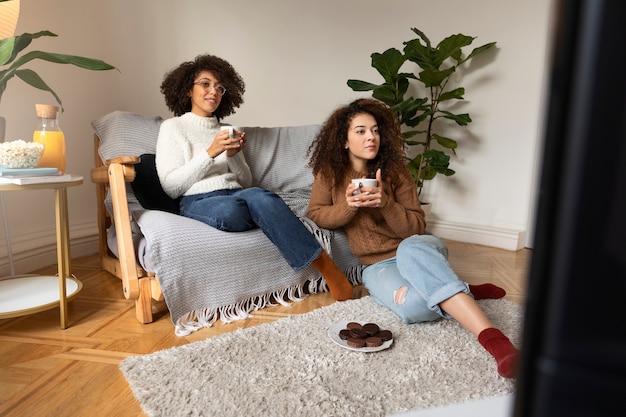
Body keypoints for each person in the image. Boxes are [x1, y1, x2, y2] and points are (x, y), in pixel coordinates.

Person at [306, 98, 518, 378]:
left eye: (375, 130)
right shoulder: (329, 175)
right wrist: (349, 206)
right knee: (417, 308)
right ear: (344, 140)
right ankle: (459, 288)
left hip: (417, 247)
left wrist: (385, 203)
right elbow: (316, 215)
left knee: (410, 250)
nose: (371, 136)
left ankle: (497, 343)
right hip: (377, 266)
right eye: (360, 131)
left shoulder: (396, 172)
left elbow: (416, 227)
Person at [155, 54, 353, 301]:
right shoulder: (173, 128)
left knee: (260, 196)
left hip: (239, 195)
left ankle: (328, 269)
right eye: (205, 84)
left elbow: (246, 183)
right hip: (199, 201)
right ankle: (274, 220)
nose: (213, 91)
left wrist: (234, 155)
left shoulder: (226, 129)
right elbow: (171, 187)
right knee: (241, 208)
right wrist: (211, 152)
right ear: (187, 90)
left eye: (219, 87)